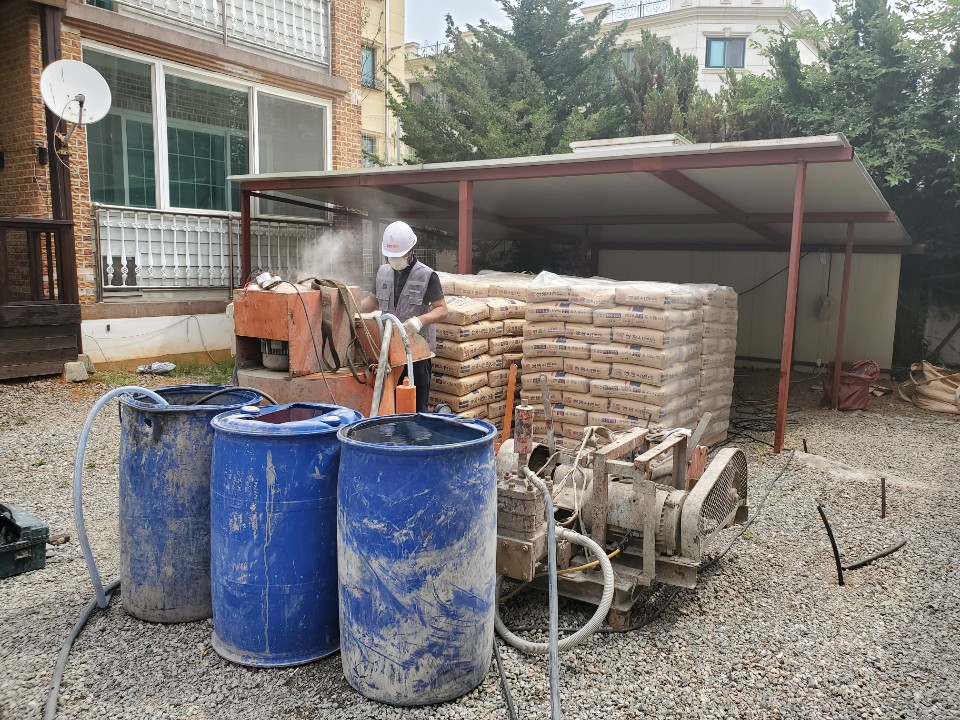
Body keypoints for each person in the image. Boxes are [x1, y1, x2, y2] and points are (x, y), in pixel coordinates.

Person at [359, 221, 447, 412]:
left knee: (415, 410)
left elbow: (442, 309)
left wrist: (420, 321)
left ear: (410, 251)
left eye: (398, 255)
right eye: (391, 256)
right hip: (387, 353)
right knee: (388, 408)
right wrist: (353, 310)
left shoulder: (427, 275)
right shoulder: (382, 272)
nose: (394, 259)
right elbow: (373, 300)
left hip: (416, 355)